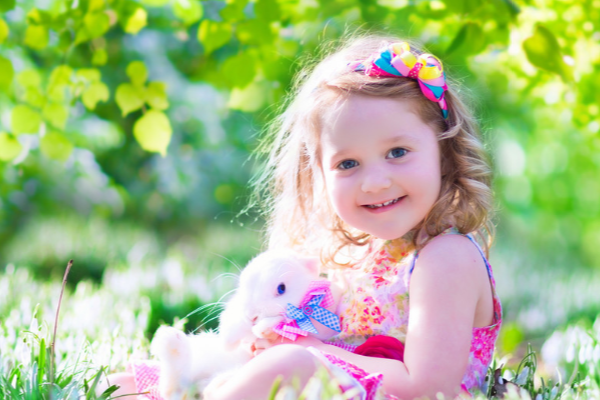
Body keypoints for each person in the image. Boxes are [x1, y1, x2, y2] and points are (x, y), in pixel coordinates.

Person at [105, 35, 502, 400]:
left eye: (397, 152)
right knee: (135, 380)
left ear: (444, 152)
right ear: (319, 175)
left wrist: (312, 354)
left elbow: (428, 385)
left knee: (289, 366)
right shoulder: (360, 256)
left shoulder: (444, 257)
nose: (376, 182)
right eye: (348, 163)